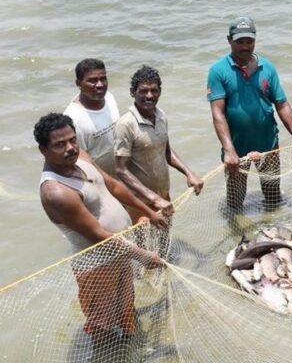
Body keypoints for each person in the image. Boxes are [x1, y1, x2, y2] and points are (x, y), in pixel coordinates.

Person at [35, 113, 167, 344]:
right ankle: (104, 354)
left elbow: (113, 185)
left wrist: (148, 210)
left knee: (126, 307)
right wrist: (142, 255)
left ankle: (130, 348)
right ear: (43, 150)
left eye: (72, 140)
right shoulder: (56, 192)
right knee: (103, 325)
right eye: (60, 144)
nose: (70, 148)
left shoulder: (82, 158)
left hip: (120, 253)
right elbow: (98, 235)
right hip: (97, 266)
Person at [207, 16, 292, 213]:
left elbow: (282, 105)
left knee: (273, 196)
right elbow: (217, 113)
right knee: (235, 202)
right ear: (229, 40)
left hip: (268, 144)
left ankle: (272, 225)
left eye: (249, 41)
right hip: (236, 148)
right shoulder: (218, 71)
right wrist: (229, 150)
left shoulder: (267, 68)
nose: (245, 46)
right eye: (240, 42)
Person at [114, 65, 203, 219]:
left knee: (165, 231)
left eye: (154, 90)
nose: (149, 95)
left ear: (160, 92)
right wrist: (154, 198)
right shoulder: (125, 124)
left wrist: (189, 174)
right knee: (141, 235)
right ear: (132, 92)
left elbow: (166, 151)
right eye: (143, 91)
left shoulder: (161, 116)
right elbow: (121, 170)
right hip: (139, 202)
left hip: (163, 197)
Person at [63, 58, 120, 176]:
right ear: (78, 84)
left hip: (119, 173)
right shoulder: (73, 119)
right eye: (92, 81)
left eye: (103, 79)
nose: (100, 85)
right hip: (97, 179)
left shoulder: (109, 98)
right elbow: (79, 162)